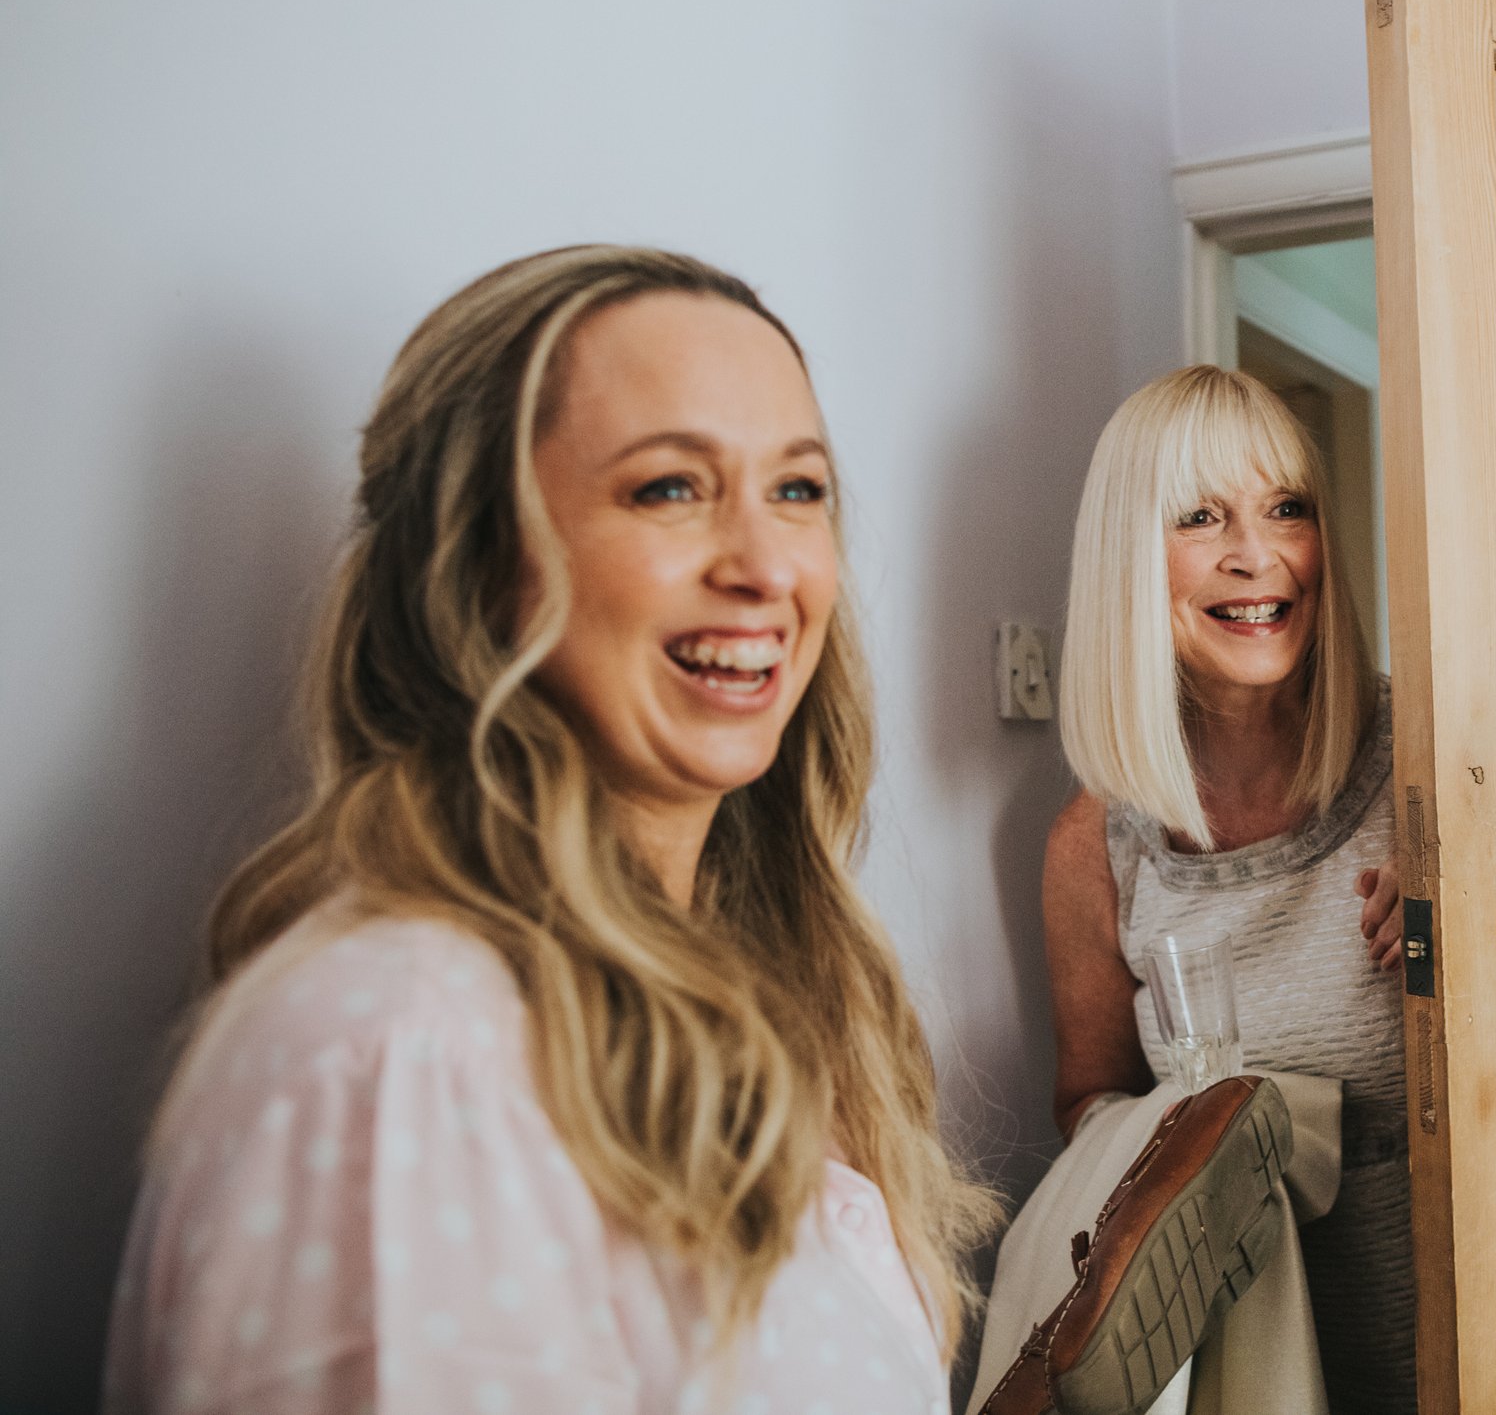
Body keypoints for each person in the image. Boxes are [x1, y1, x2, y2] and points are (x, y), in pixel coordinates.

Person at [103, 246, 993, 1415]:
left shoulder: (786, 998)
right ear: (473, 565)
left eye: (798, 488)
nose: (767, 564)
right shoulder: (402, 1053)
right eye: (668, 487)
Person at [1041, 365, 1413, 1414]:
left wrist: (1462, 889)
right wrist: (1191, 1137)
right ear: (1127, 558)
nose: (1259, 555)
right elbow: (1084, 1102)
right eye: (1202, 517)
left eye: (1286, 507)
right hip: (1243, 1358)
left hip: (1472, 1319)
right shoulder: (1093, 845)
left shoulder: (1430, 763)